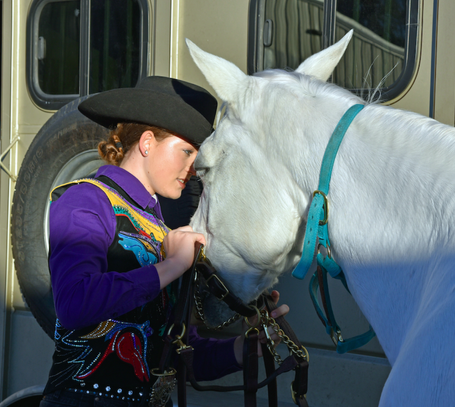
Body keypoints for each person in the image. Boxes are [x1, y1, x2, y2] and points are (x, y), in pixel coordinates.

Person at [40, 76, 289, 407]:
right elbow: (74, 304)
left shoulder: (161, 229)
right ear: (146, 143)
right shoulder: (86, 199)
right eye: (186, 151)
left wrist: (245, 347)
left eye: (197, 157)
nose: (193, 169)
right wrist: (172, 266)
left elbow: (176, 352)